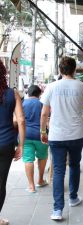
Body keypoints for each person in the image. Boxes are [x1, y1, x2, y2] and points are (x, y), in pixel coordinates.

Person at [40, 56, 83, 221]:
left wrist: (43, 131)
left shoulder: (51, 87)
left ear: (60, 70)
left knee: (58, 170)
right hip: (76, 134)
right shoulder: (82, 86)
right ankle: (73, 198)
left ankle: (57, 210)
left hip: (56, 135)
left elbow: (44, 113)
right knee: (75, 165)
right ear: (74, 69)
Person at [0, 60, 25, 225]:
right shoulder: (12, 94)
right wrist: (21, 144)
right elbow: (21, 120)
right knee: (1, 183)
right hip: (6, 143)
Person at [22, 85, 48, 193]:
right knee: (42, 157)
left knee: (28, 159)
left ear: (28, 93)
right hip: (40, 135)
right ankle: (40, 180)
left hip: (26, 135)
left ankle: (31, 186)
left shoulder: (22, 104)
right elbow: (46, 117)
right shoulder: (42, 104)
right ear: (39, 93)